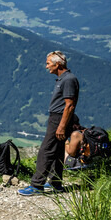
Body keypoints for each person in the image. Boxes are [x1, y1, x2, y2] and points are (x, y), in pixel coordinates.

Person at [19, 51, 79, 196]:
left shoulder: (68, 79)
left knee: (45, 151)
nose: (46, 67)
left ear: (57, 64)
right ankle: (55, 183)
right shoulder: (63, 79)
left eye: (48, 63)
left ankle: (36, 185)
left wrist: (62, 126)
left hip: (59, 119)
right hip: (57, 118)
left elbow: (69, 105)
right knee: (58, 151)